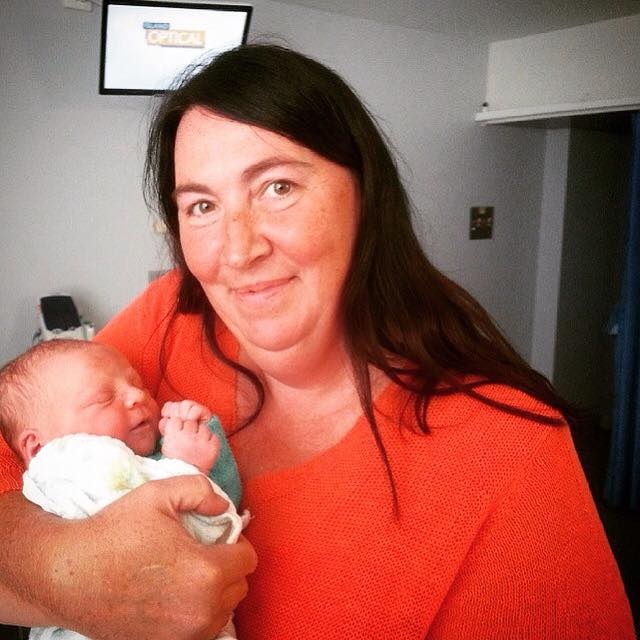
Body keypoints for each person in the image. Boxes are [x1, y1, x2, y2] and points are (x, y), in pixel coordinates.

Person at [0, 43, 634, 639]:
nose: (237, 251)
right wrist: (68, 573)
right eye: (202, 206)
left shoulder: (509, 457)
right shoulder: (174, 314)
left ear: (365, 195)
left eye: (277, 187)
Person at [0, 339, 245, 640]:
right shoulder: (63, 474)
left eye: (140, 385)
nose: (137, 396)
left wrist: (197, 446)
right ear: (38, 448)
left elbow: (222, 509)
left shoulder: (158, 457)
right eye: (103, 398)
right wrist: (185, 465)